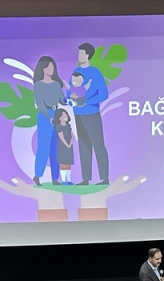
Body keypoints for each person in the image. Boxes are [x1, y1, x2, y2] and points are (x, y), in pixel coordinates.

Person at [70, 42, 110, 186]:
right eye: (78, 53)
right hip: (78, 113)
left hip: (92, 113)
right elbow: (70, 90)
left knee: (98, 144)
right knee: (83, 145)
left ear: (88, 55)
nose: (79, 55)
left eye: (82, 53)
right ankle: (85, 179)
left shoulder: (95, 72)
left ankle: (104, 178)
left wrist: (86, 100)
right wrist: (70, 97)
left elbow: (104, 94)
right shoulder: (76, 71)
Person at [32, 56, 64, 186]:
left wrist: (70, 96)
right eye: (48, 66)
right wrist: (49, 117)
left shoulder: (56, 84)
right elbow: (40, 104)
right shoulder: (38, 85)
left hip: (56, 115)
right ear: (42, 68)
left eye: (52, 66)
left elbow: (63, 100)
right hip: (45, 117)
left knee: (55, 149)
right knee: (43, 148)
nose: (51, 69)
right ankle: (37, 176)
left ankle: (55, 178)